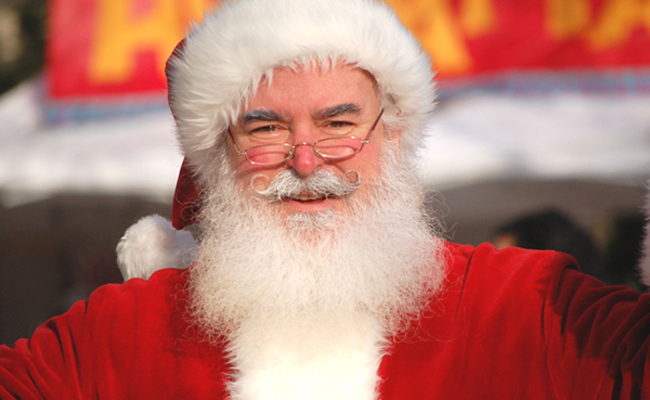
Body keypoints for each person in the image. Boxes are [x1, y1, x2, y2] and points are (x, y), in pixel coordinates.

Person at [2, 0, 650, 399]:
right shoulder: (119, 333)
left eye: (339, 125)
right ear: (217, 158)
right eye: (265, 129)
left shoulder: (526, 309)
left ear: (392, 135)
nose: (306, 162)